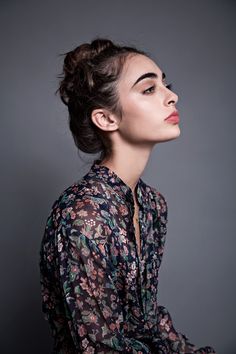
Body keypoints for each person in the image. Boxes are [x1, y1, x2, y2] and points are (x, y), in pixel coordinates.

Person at [39, 37, 216, 354]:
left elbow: (147, 320)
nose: (172, 96)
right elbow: (97, 347)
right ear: (106, 118)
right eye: (149, 89)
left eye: (166, 84)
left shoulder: (151, 205)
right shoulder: (81, 215)